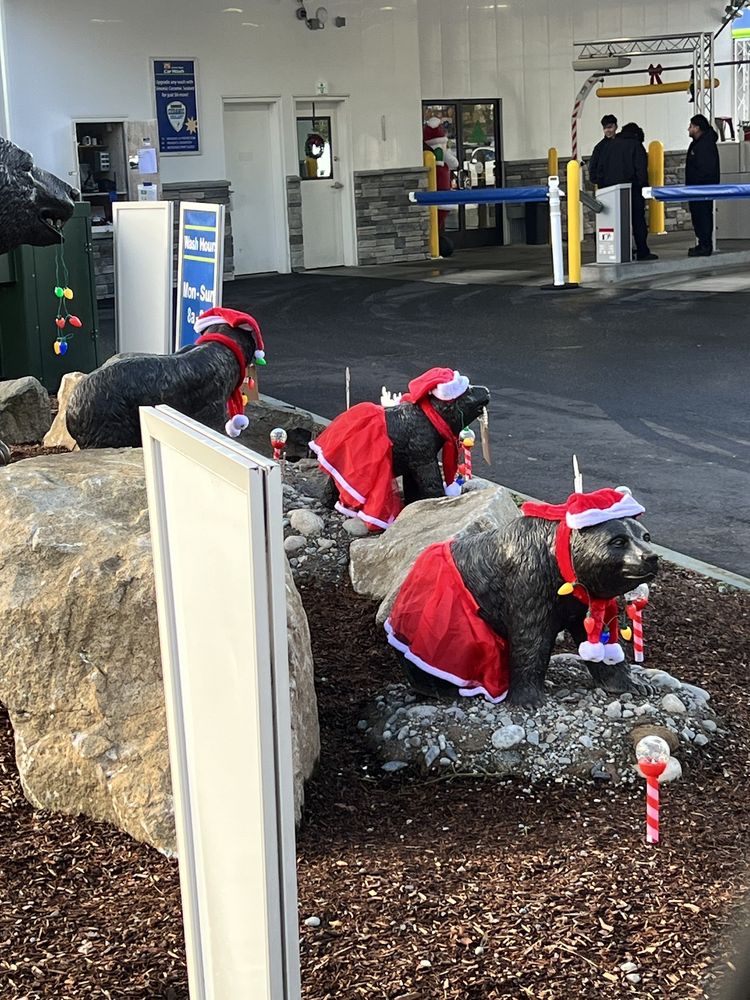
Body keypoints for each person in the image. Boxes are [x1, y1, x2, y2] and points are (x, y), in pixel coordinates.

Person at [597, 121, 658, 261]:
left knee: (616, 222)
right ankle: (642, 250)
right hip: (633, 190)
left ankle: (623, 251)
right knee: (637, 221)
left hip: (610, 191)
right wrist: (643, 186)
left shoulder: (609, 145)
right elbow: (641, 170)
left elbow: (598, 167)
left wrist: (602, 184)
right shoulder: (636, 146)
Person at [685, 114, 720, 257]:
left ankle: (705, 245)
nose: (688, 129)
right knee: (699, 217)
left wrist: (697, 185)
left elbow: (706, 169)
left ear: (697, 128)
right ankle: (702, 244)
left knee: (703, 216)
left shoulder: (704, 145)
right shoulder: (699, 143)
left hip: (702, 188)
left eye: (691, 126)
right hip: (696, 189)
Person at [588, 114, 617, 187]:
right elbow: (593, 166)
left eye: (610, 127)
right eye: (605, 128)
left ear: (616, 126)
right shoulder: (599, 147)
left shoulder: (600, 146)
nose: (607, 130)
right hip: (606, 184)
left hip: (606, 184)